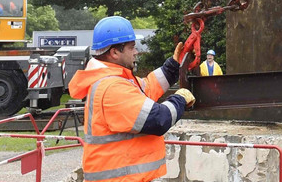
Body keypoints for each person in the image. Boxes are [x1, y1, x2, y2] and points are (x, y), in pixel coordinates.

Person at [68, 16, 196, 182]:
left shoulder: (115, 80)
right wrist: (179, 99)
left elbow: (147, 88)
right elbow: (157, 119)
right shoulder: (112, 87)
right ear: (114, 52)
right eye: (131, 47)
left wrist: (173, 65)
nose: (136, 52)